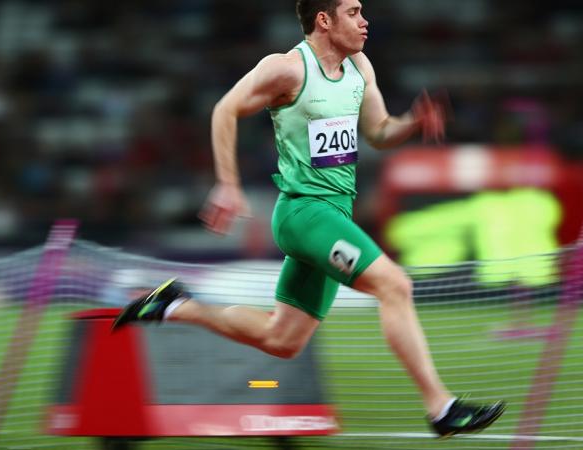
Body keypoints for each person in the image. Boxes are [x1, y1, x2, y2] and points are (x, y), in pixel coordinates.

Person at [113, 0, 504, 438]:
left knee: (283, 340)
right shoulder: (287, 69)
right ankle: (441, 407)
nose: (364, 20)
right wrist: (227, 183)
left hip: (334, 213)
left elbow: (378, 131)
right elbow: (225, 109)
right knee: (395, 284)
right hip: (304, 213)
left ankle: (176, 306)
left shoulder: (359, 66)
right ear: (324, 20)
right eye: (353, 12)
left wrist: (412, 121)